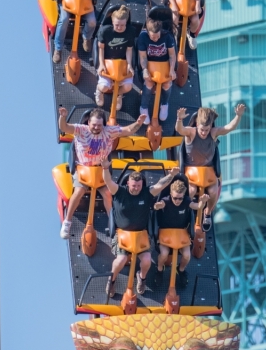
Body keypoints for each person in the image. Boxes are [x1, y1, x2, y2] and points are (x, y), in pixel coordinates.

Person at [57, 107, 147, 239]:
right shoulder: (81, 129)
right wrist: (63, 117)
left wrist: (138, 123)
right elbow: (65, 128)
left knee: (108, 194)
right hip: (84, 168)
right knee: (79, 192)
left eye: (99, 125)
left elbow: (128, 130)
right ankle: (67, 221)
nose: (96, 128)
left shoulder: (109, 131)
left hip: (101, 169)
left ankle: (113, 222)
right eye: (94, 125)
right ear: (88, 123)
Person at [102, 161, 179, 295]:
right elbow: (107, 181)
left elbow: (161, 184)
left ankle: (141, 277)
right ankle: (111, 281)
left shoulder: (146, 193)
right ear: (128, 184)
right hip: (122, 234)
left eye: (139, 185)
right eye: (134, 186)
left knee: (147, 260)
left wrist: (171, 175)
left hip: (141, 234)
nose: (136, 188)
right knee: (120, 260)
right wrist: (105, 167)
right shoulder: (120, 192)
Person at [175, 104, 246, 220]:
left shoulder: (213, 133)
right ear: (197, 125)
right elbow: (180, 129)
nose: (204, 133)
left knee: (213, 191)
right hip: (191, 171)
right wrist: (179, 119)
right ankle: (185, 214)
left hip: (208, 171)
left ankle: (207, 214)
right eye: (202, 130)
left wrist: (238, 115)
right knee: (191, 191)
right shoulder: (191, 132)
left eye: (206, 130)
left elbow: (229, 128)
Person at [153, 179, 207, 288]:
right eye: (175, 198)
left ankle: (180, 269)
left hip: (181, 233)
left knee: (187, 255)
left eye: (180, 198)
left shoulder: (186, 201)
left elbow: (197, 206)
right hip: (166, 232)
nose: (177, 201)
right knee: (164, 253)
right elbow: (158, 206)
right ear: (171, 195)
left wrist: (202, 202)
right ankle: (159, 269)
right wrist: (157, 206)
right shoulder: (166, 201)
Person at [95, 6, 137, 109]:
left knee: (128, 86)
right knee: (104, 87)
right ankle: (99, 91)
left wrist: (129, 65)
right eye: (117, 25)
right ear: (112, 22)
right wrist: (101, 64)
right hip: (108, 61)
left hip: (122, 61)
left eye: (122, 25)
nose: (119, 27)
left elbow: (129, 49)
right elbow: (101, 49)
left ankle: (118, 93)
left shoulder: (130, 31)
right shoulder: (105, 31)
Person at [137, 14, 177, 122]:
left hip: (164, 63)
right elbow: (143, 56)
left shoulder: (167, 36)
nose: (155, 39)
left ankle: (164, 104)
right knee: (149, 82)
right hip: (150, 64)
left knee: (167, 83)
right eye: (153, 37)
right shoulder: (143, 37)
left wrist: (172, 69)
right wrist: (145, 70)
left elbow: (172, 55)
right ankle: (144, 107)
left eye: (157, 36)